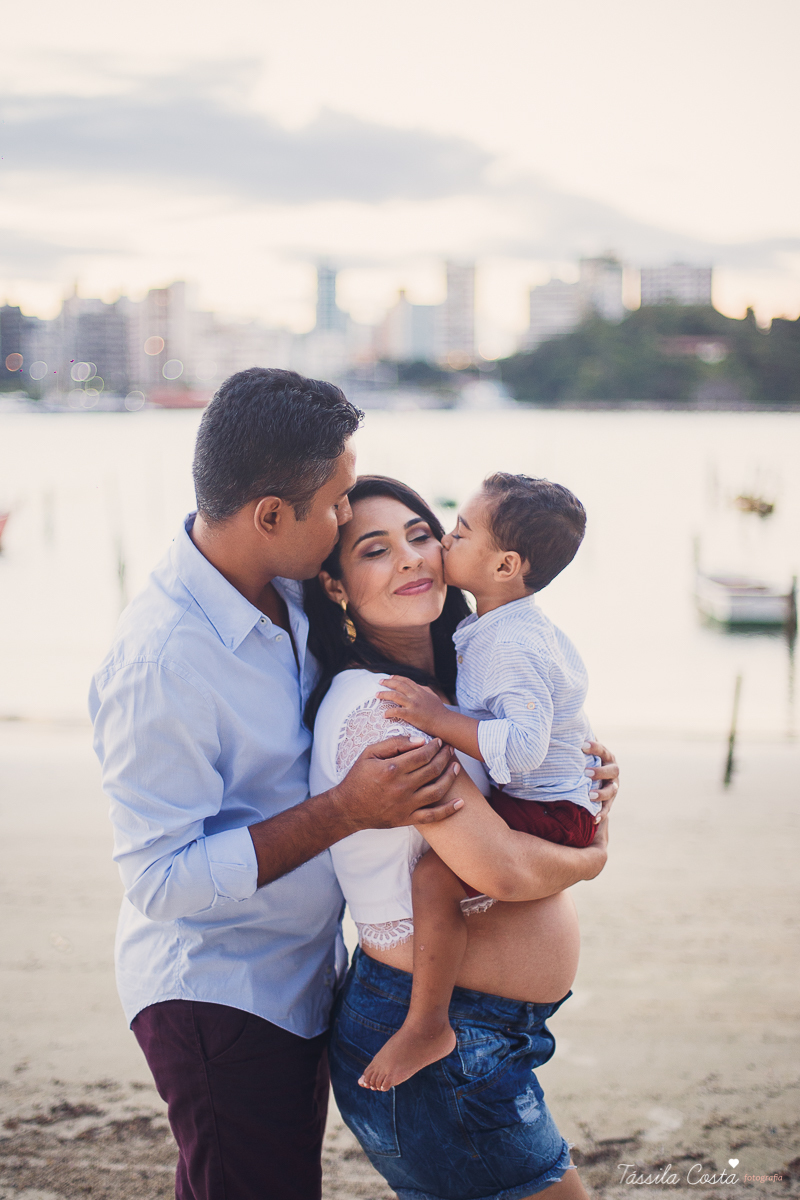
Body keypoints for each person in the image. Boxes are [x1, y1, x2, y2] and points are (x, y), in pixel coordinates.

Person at [89, 369, 467, 1200]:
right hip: (217, 995)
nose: (344, 520)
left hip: (300, 973)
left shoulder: (288, 585)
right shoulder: (159, 663)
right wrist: (344, 811)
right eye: (336, 504)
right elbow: (160, 880)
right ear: (270, 515)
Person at [305, 474, 619, 1200]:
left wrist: (595, 778)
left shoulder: (459, 679)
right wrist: (593, 856)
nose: (416, 557)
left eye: (423, 535)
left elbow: (535, 754)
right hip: (441, 1041)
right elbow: (503, 871)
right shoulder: (386, 711)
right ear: (337, 589)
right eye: (376, 551)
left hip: (481, 1035)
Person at [361, 473, 601, 1090]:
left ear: (505, 565)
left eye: (458, 532)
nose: (444, 540)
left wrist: (438, 718)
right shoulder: (510, 625)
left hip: (549, 806)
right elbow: (559, 711)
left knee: (434, 878)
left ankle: (427, 1024)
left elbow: (520, 750)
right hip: (558, 800)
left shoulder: (510, 642)